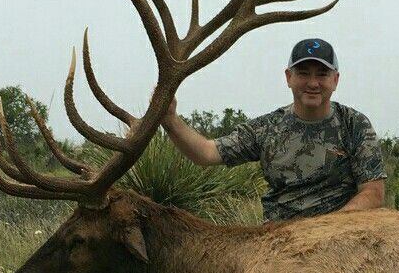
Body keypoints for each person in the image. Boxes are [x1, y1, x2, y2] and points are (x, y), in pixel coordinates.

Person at [160, 38, 386, 221]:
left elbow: (373, 193)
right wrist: (170, 119)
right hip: (277, 244)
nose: (313, 83)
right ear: (289, 77)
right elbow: (207, 153)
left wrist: (324, 230)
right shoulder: (267, 128)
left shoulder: (354, 124)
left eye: (322, 74)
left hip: (338, 238)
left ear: (335, 80)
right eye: (304, 73)